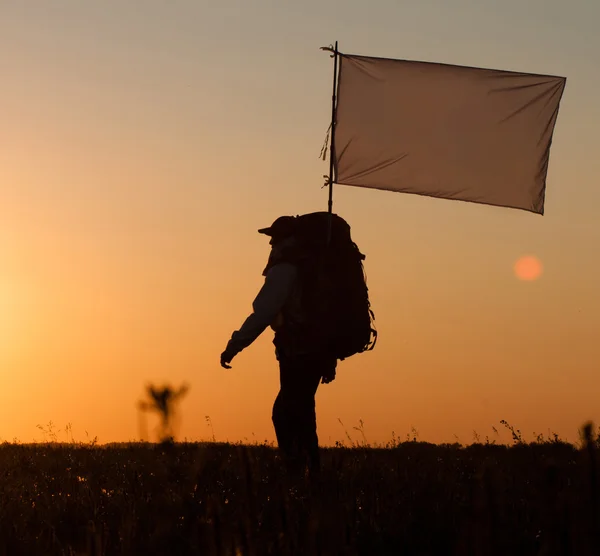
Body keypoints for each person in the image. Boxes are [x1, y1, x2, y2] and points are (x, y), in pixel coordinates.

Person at [220, 215, 337, 476]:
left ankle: (298, 474)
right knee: (302, 412)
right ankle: (310, 473)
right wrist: (329, 357)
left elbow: (263, 313)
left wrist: (234, 345)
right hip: (314, 352)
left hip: (297, 353)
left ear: (283, 239)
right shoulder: (309, 268)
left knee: (286, 414)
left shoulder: (285, 269)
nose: (270, 243)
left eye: (273, 237)